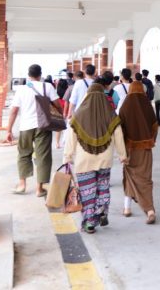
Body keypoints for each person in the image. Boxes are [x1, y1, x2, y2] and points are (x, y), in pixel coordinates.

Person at [63, 72, 127, 233]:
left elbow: (71, 136)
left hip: (84, 160)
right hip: (105, 158)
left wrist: (67, 156)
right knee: (102, 186)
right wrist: (122, 155)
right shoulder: (110, 113)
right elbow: (118, 134)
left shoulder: (79, 115)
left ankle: (89, 222)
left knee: (87, 191)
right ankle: (101, 211)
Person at [5, 64, 63, 196]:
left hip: (25, 126)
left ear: (29, 75)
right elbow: (58, 105)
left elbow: (14, 111)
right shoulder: (47, 86)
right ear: (40, 74)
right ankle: (39, 189)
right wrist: (59, 115)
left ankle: (22, 185)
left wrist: (9, 130)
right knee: (43, 156)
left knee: (23, 154)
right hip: (43, 125)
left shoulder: (22, 89)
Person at [119, 81, 159, 224]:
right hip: (145, 148)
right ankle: (149, 210)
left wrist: (122, 150)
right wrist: (151, 140)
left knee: (129, 176)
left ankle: (128, 208)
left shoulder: (125, 105)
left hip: (129, 149)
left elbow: (120, 130)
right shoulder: (147, 104)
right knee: (145, 179)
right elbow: (155, 126)